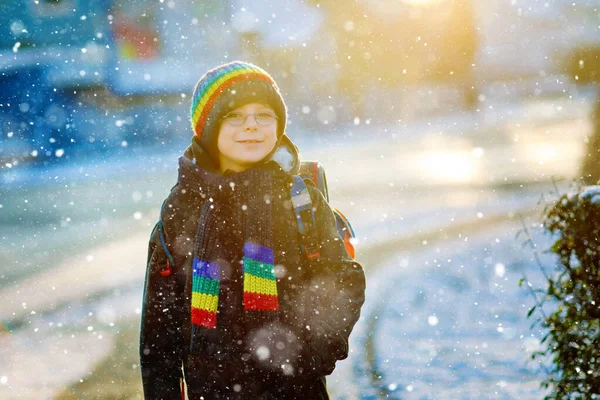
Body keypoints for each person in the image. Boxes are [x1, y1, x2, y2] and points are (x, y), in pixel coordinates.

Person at [139, 61, 366, 399]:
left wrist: (313, 353)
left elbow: (342, 282)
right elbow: (159, 334)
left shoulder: (300, 198)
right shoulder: (182, 209)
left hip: (296, 390)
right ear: (208, 127)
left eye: (264, 115)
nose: (252, 127)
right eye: (234, 116)